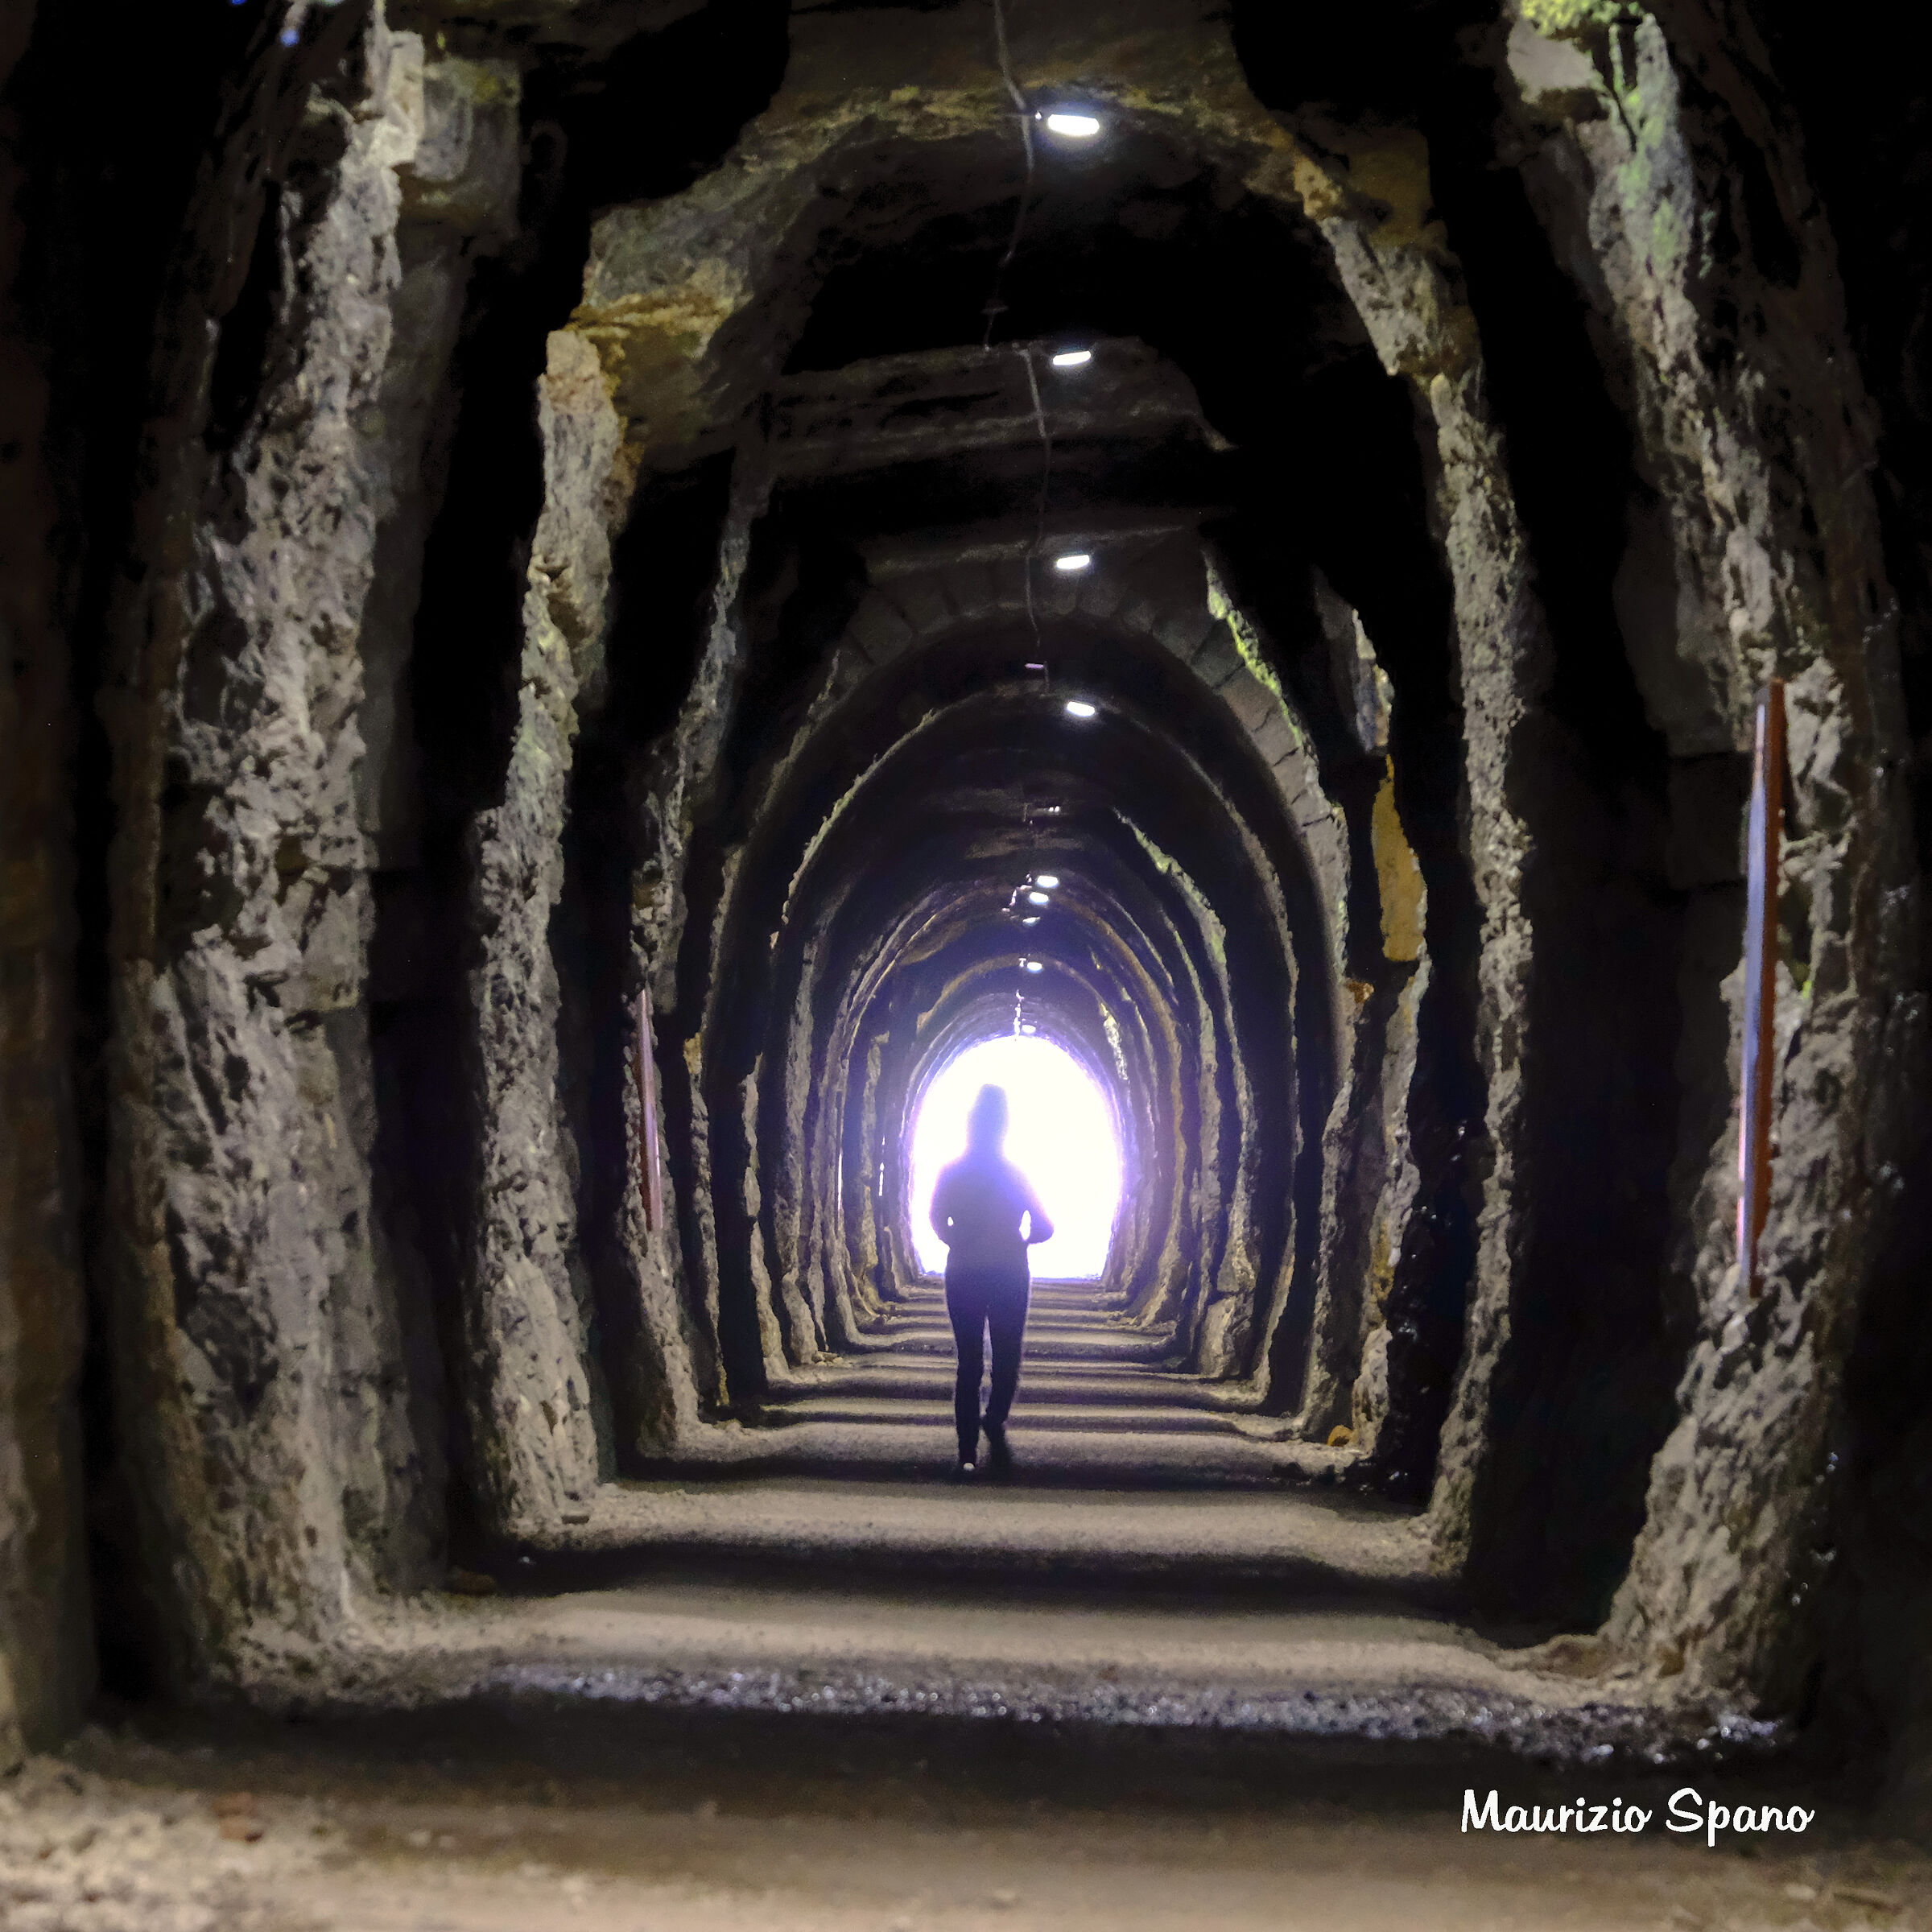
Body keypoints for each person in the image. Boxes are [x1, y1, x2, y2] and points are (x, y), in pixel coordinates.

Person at [929, 1084, 1054, 1476]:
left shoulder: (952, 1172)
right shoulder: (1016, 1175)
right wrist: (1020, 1241)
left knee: (968, 1361)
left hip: (964, 1271)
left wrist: (957, 1239)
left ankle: (966, 1451)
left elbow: (936, 1218)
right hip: (1008, 1273)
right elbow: (1046, 1226)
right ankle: (995, 1418)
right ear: (1004, 1128)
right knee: (1006, 1354)